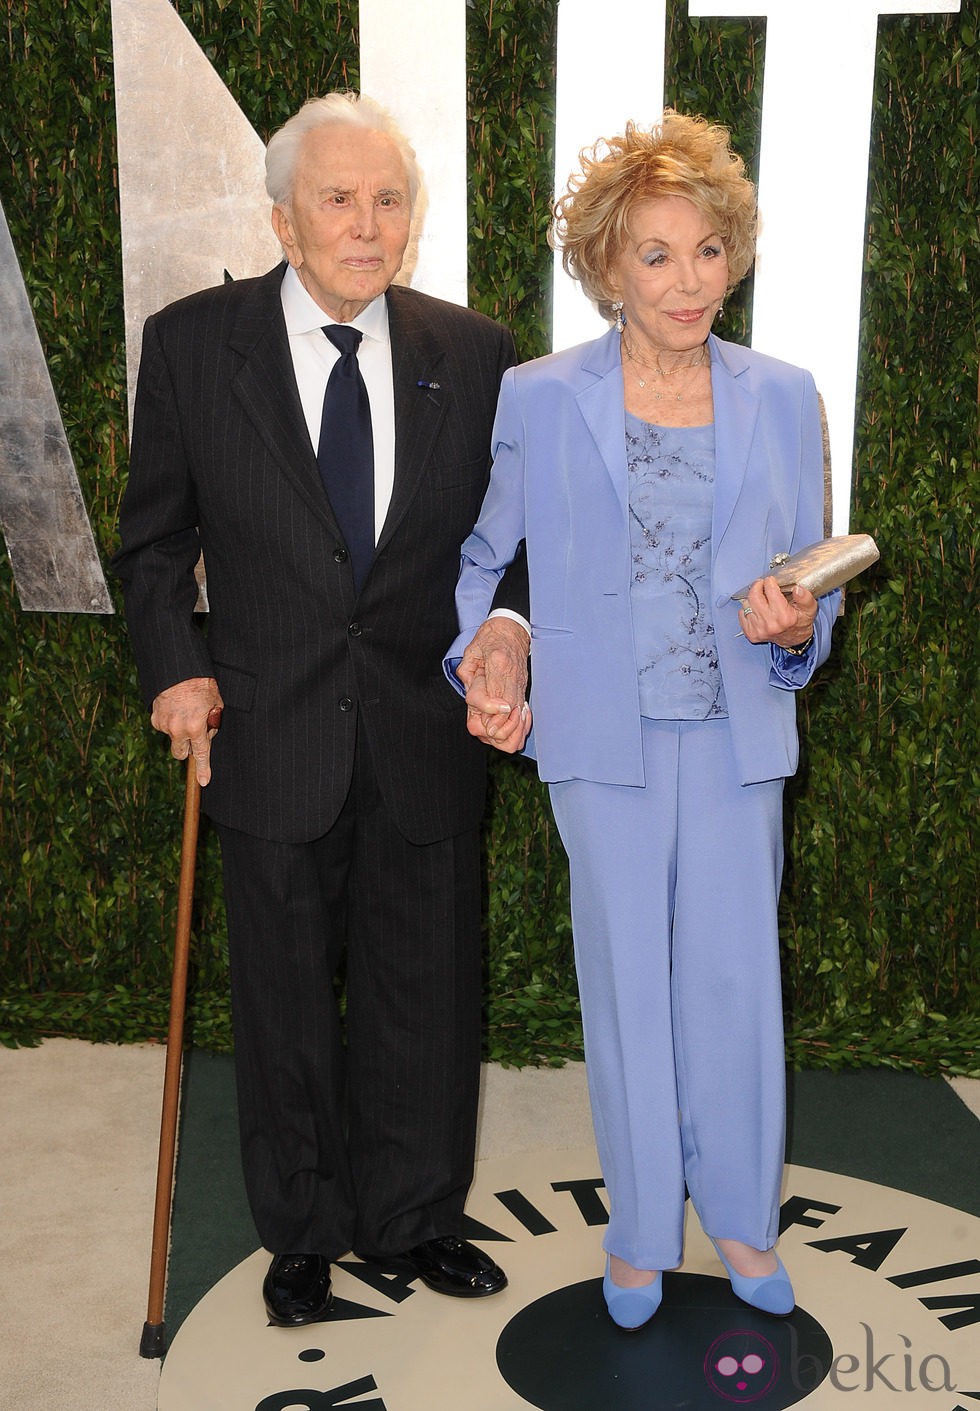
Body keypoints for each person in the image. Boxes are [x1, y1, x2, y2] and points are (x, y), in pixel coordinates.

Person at [114, 92, 531, 1328]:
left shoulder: (475, 353)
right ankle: (299, 1230)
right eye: (338, 200)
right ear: (283, 217)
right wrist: (172, 664)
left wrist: (504, 632)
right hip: (268, 728)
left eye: (388, 200)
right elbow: (153, 546)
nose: (367, 223)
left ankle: (411, 1216)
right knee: (284, 995)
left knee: (425, 994)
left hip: (422, 730)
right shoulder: (193, 344)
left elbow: (507, 547)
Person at [448, 111, 840, 1329]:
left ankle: (735, 1220)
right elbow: (481, 561)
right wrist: (489, 641)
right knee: (624, 987)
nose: (686, 280)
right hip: (601, 745)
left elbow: (805, 577)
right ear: (606, 265)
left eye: (708, 249)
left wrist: (797, 628)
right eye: (655, 255)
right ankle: (635, 1231)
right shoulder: (535, 394)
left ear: (736, 254)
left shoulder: (782, 395)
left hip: (733, 741)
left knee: (731, 983)